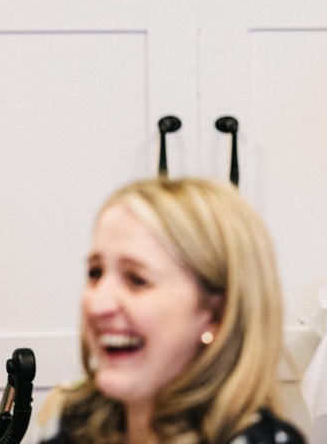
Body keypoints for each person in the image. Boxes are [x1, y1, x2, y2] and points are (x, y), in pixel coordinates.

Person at [36, 177, 306, 444]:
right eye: (95, 273)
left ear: (217, 314)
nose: (97, 305)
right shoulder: (75, 424)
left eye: (136, 280)